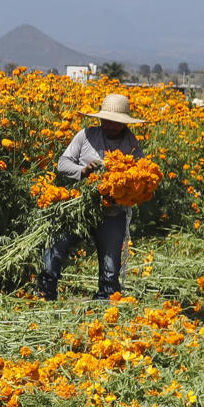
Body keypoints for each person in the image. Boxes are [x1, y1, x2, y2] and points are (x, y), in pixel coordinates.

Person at [38, 91, 146, 300]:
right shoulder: (86, 135)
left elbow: (142, 179)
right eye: (107, 121)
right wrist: (83, 171)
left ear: (125, 123)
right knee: (56, 248)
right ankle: (45, 294)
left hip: (112, 211)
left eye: (116, 122)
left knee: (110, 266)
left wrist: (123, 188)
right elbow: (63, 163)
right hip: (80, 206)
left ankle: (105, 302)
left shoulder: (132, 145)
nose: (110, 126)